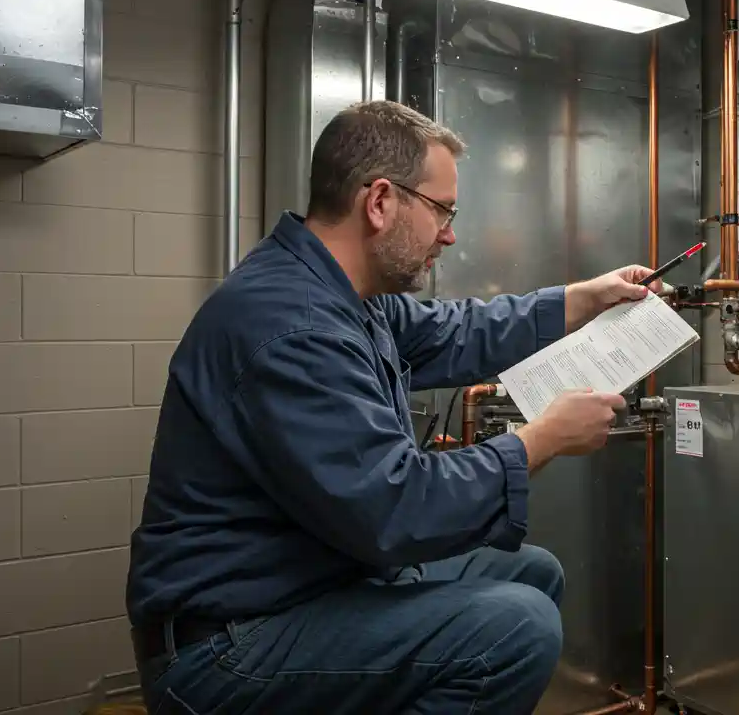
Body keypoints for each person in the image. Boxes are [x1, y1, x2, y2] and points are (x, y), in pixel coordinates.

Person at [125, 100, 660, 714]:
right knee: (518, 627)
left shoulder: (344, 294)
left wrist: (580, 299)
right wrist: (540, 440)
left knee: (528, 573)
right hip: (229, 645)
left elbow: (458, 331)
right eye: (442, 211)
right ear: (379, 201)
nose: (450, 234)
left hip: (304, 589)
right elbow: (395, 511)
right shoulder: (293, 326)